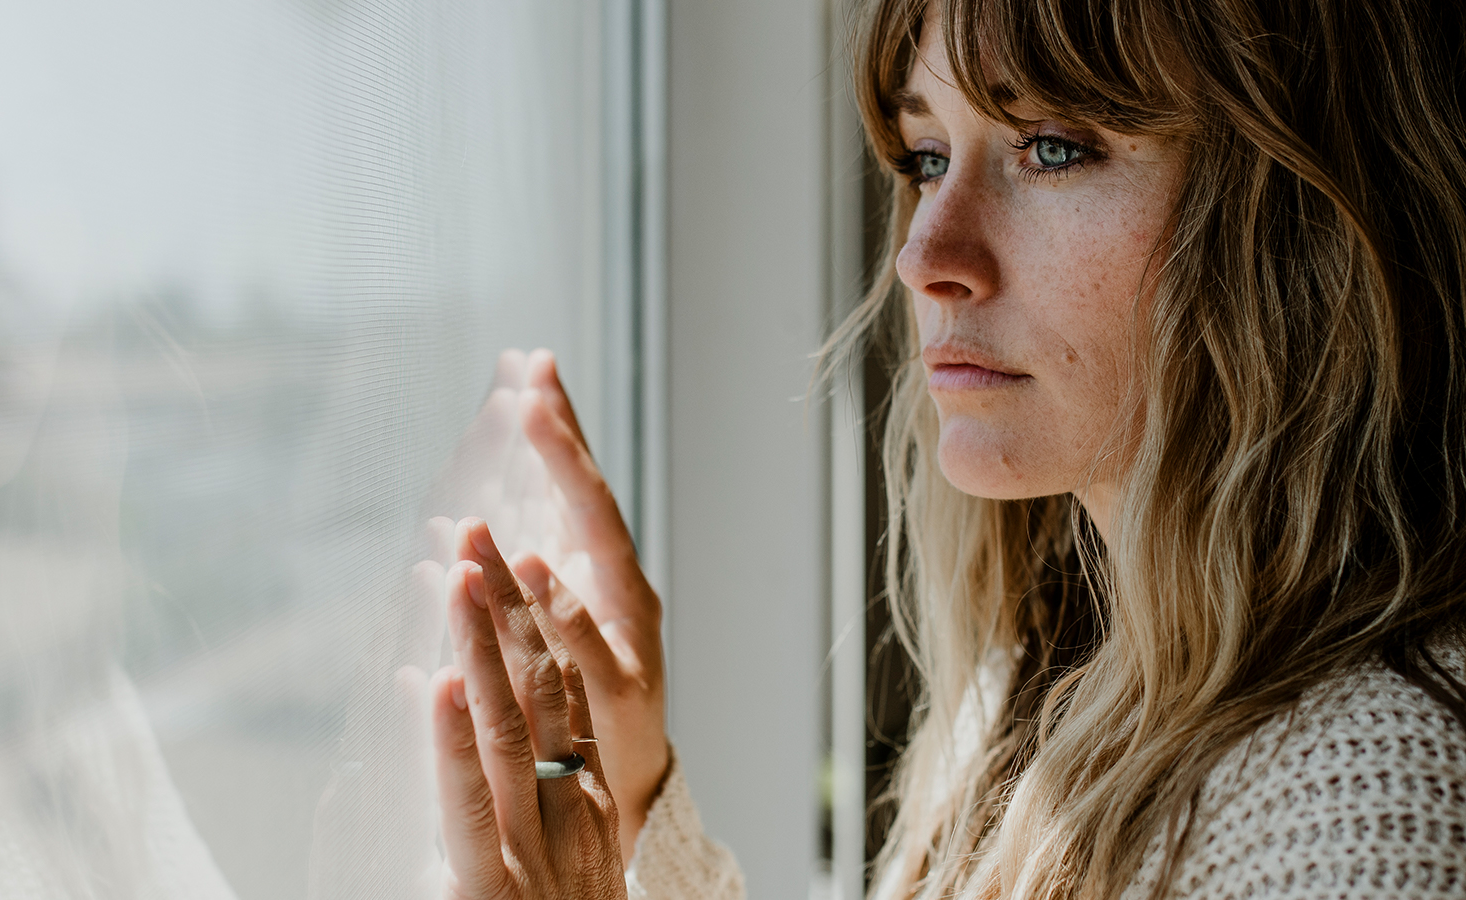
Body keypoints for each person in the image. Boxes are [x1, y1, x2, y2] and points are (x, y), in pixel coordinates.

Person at [424, 0, 1466, 897]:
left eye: (1053, 145)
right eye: (927, 158)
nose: (928, 256)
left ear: (1300, 212)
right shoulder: (1050, 671)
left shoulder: (1371, 798)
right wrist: (644, 797)